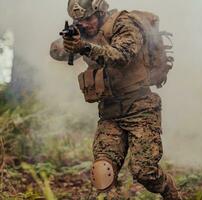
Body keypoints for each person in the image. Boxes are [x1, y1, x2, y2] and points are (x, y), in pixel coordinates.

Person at [50, 0, 181, 199]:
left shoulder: (123, 23)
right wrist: (69, 45)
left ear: (100, 11)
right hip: (110, 113)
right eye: (79, 21)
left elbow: (122, 56)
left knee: (144, 172)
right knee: (102, 173)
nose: (84, 24)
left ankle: (169, 189)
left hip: (140, 108)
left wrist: (84, 47)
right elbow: (55, 51)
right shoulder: (84, 32)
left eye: (88, 19)